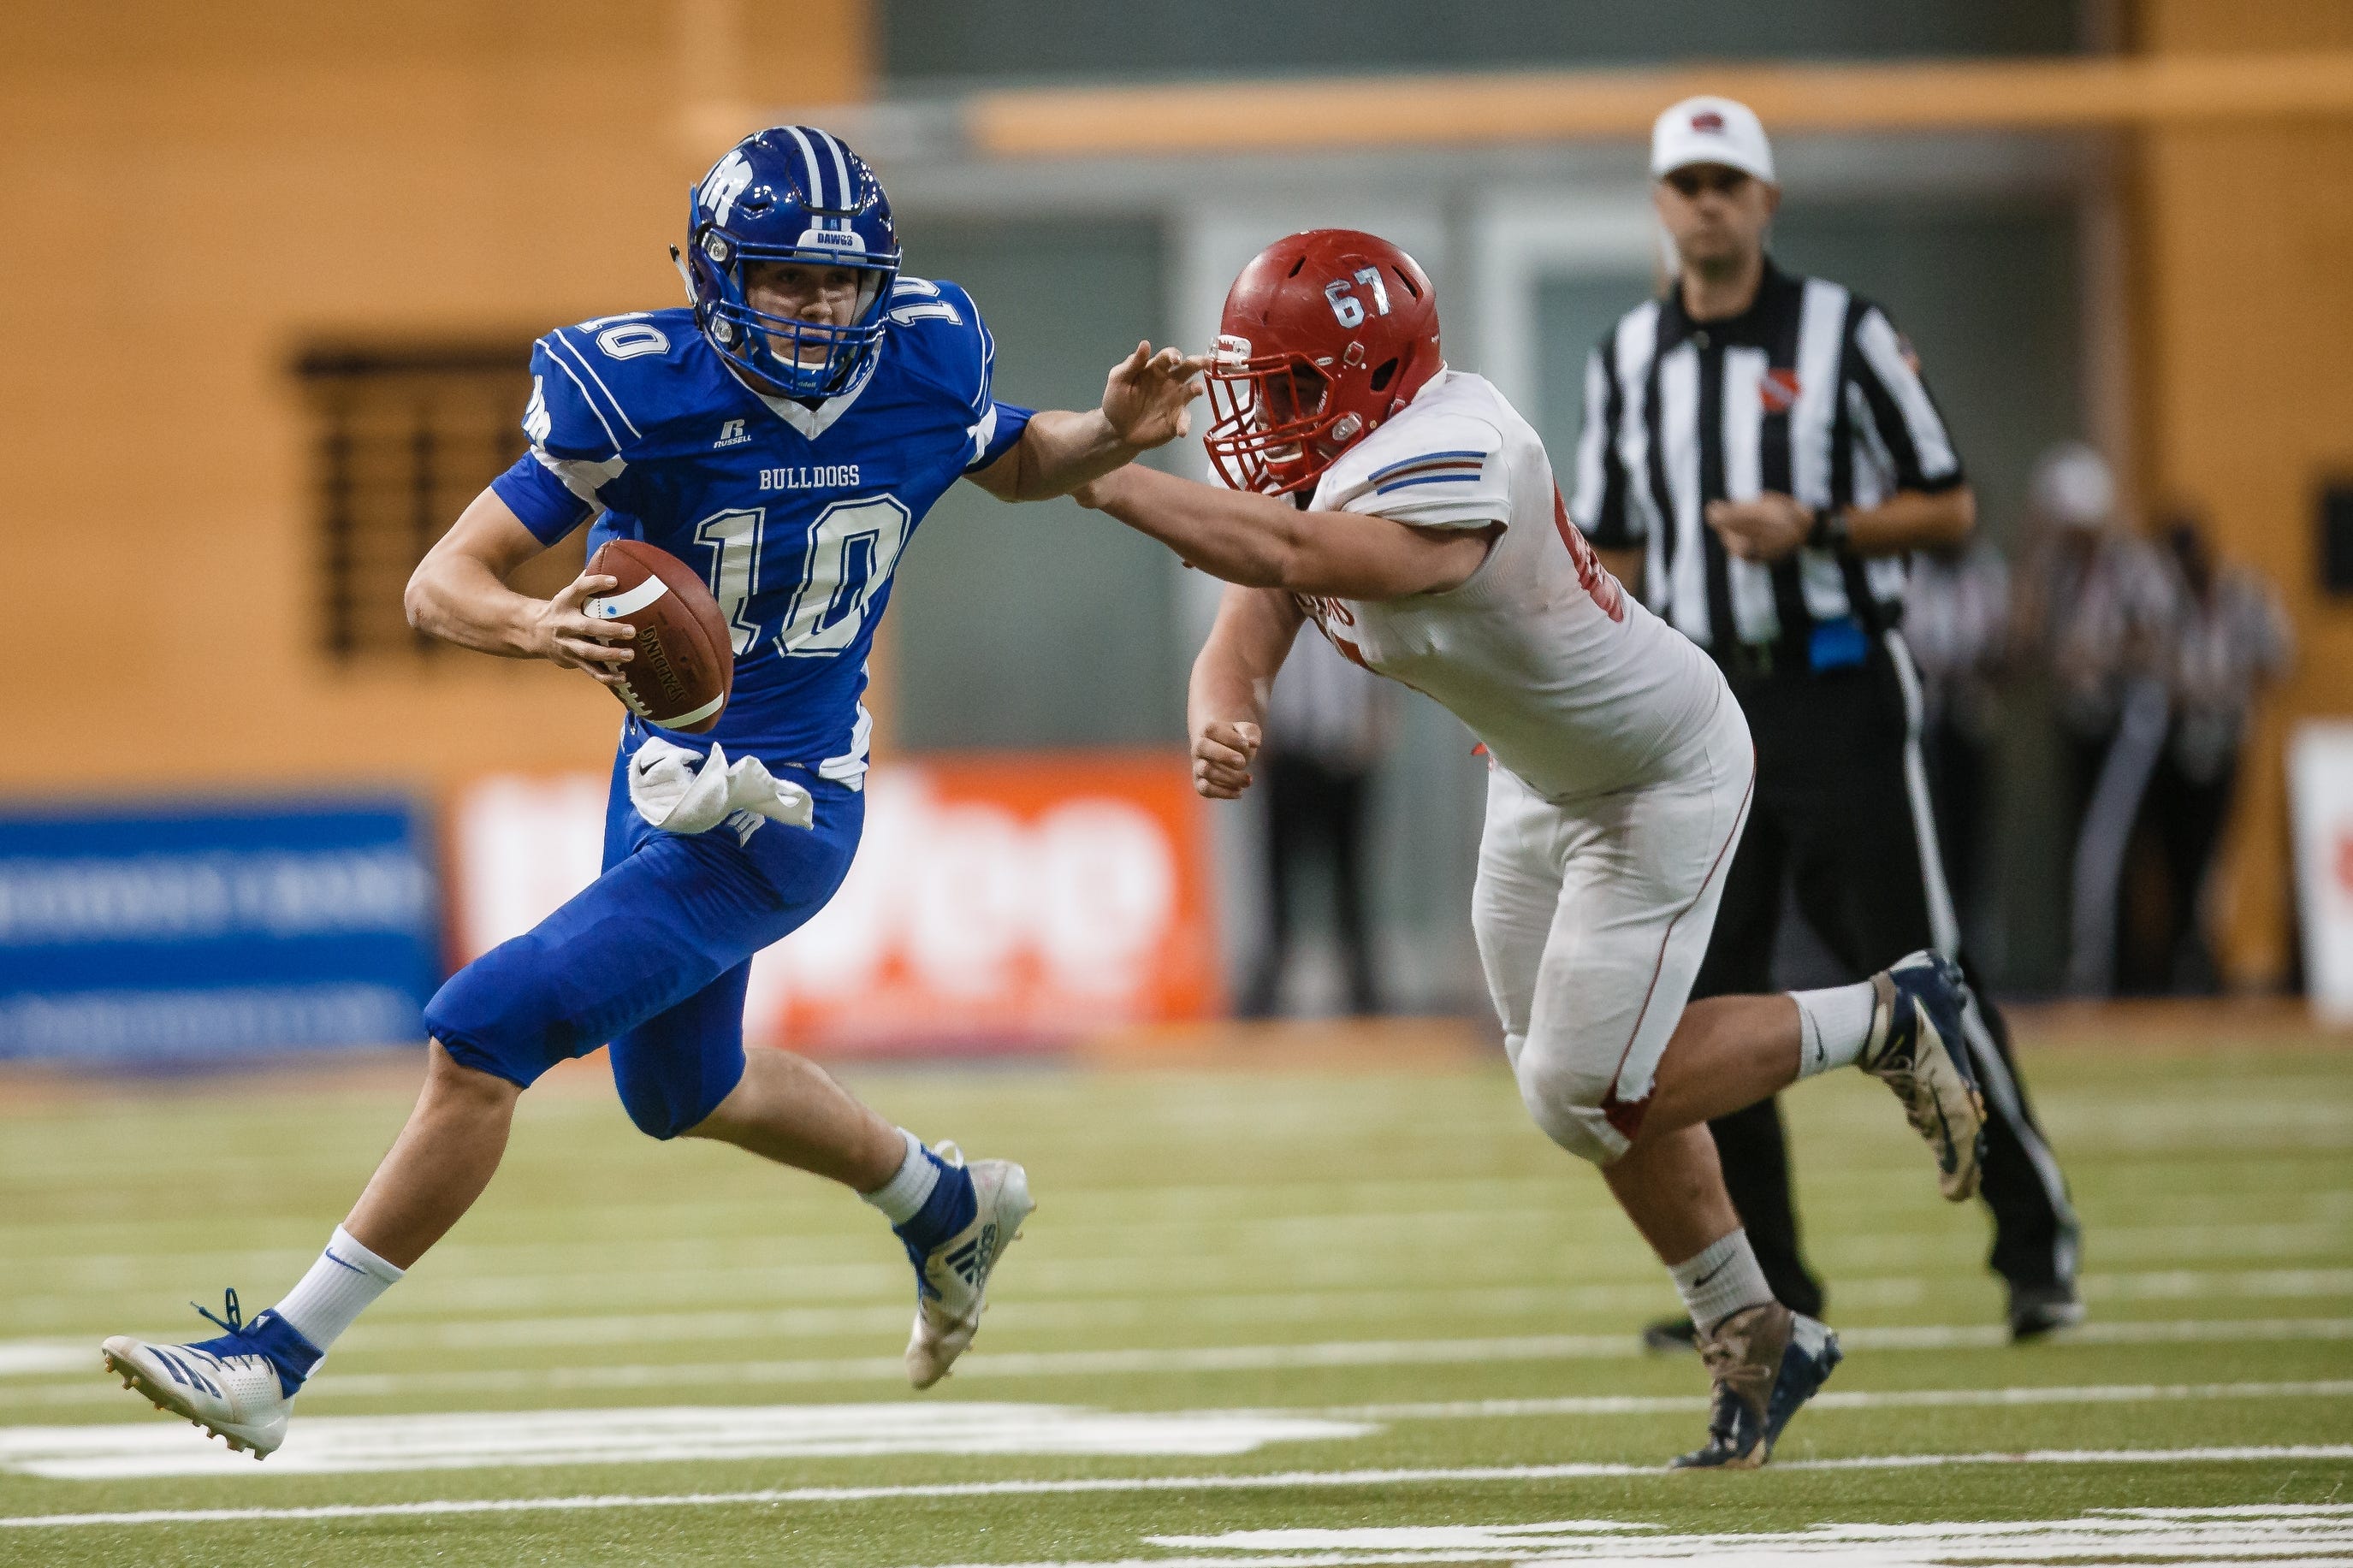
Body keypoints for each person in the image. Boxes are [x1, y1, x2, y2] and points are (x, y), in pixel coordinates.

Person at [96, 127, 1205, 1459]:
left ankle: (273, 1358)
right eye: (787, 280)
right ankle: (940, 1201)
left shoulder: (926, 356)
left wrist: (1103, 436)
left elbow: (1010, 457)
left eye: (841, 282)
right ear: (718, 274)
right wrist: (534, 628)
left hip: (785, 811)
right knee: (680, 1087)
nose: (819, 308)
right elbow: (438, 581)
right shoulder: (640, 392)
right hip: (666, 776)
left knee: (483, 1031)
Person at [1074, 226, 1989, 1470]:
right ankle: (1753, 1332)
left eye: (1290, 386)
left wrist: (1095, 469)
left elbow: (1292, 554)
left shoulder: (1458, 451)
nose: (1264, 417)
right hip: (1538, 775)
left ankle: (1888, 1015)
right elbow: (1249, 626)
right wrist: (1224, 712)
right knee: (1572, 1082)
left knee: (1586, 1085)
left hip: (1658, 767)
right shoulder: (1333, 453)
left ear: (1372, 379)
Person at [1574, 98, 2083, 1350]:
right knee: (1701, 1006)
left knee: (1927, 973)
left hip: (1838, 692)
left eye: (1724, 180)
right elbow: (1613, 545)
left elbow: (1951, 504)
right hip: (1699, 713)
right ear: (1659, 201)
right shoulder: (1625, 356)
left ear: (1764, 201)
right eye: (1683, 181)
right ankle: (1773, 1281)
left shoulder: (1843, 333)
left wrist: (1823, 528)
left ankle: (2036, 1248)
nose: (1704, 201)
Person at [2009, 443, 2178, 996]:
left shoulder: (2133, 566)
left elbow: (2160, 646)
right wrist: (2034, 549)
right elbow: (2025, 636)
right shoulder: (2057, 569)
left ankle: (2098, 974)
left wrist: (2099, 656)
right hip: (2081, 721)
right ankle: (2104, 967)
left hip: (2129, 715)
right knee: (2088, 842)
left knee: (2101, 847)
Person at [2137, 511, 2291, 991]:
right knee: (2175, 851)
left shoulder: (2243, 596)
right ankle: (2181, 956)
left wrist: (2233, 692)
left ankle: (2201, 958)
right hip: (2174, 737)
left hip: (2224, 736)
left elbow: (2281, 658)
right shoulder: (2166, 602)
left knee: (2212, 853)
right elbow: (2145, 658)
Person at [1238, 628, 1396, 1016]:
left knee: (1351, 874)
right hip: (1289, 760)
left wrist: (1373, 738)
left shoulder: (1353, 617)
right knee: (1277, 876)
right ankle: (1270, 982)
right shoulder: (1273, 620)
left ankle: (1362, 987)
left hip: (1345, 760)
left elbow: (1380, 683)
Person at [1904, 539, 2011, 948]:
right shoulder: (1914, 573)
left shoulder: (1986, 572)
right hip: (1925, 723)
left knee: (1973, 837)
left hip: (1972, 719)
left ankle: (1974, 942)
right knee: (1930, 832)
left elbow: (2006, 646)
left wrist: (1977, 668)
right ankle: (1931, 941)